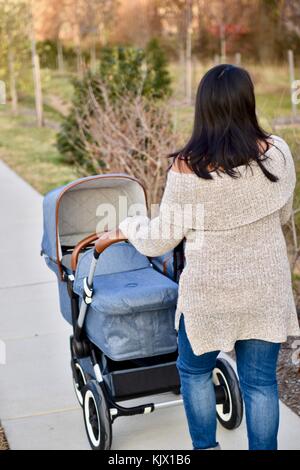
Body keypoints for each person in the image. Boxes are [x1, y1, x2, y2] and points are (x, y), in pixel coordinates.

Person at [100, 64, 300, 450]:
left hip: (211, 296)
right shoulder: (278, 155)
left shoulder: (188, 172)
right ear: (248, 103)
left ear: (203, 108)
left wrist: (128, 227)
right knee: (260, 383)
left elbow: (160, 239)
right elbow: (281, 212)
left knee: (193, 372)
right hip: (265, 288)